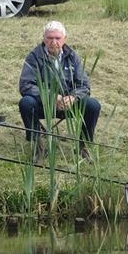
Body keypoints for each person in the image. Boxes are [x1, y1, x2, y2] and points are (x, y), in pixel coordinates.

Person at [18, 21, 101, 161]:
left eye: (57, 38)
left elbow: (84, 85)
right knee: (25, 103)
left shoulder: (72, 56)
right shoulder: (34, 56)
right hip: (44, 105)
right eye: (50, 38)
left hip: (68, 104)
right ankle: (38, 146)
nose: (54, 42)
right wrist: (50, 96)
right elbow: (25, 85)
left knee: (93, 105)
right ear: (44, 39)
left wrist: (73, 97)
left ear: (64, 39)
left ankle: (83, 145)